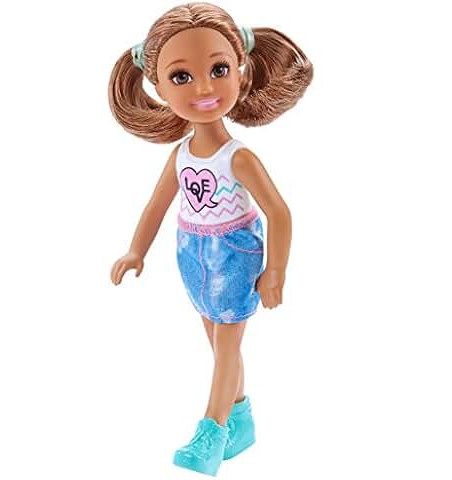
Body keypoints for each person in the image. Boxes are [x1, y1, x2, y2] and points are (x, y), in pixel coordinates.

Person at [108, 2, 313, 476]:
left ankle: (212, 432)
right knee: (219, 344)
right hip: (191, 254)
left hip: (235, 257)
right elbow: (156, 205)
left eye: (218, 70)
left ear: (240, 71)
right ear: (158, 88)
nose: (203, 88)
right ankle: (241, 419)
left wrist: (275, 270)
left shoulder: (238, 158)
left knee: (226, 347)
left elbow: (279, 212)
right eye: (181, 77)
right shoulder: (181, 154)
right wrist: (136, 250)